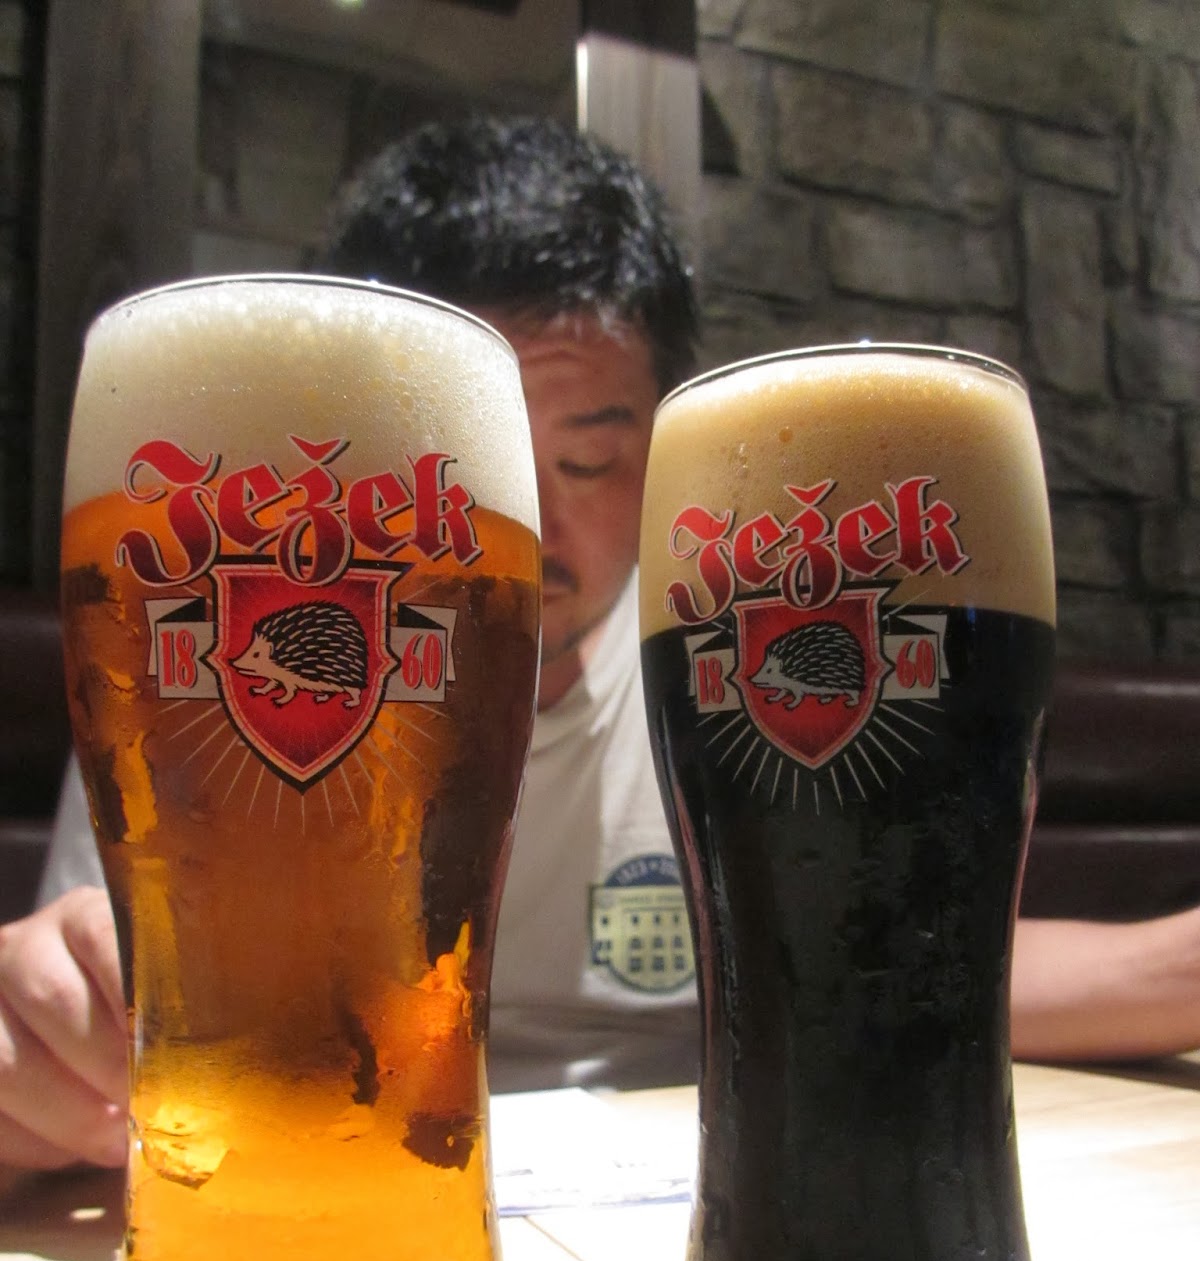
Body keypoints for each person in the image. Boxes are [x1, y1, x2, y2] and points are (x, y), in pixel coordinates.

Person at [2, 115, 1199, 1176]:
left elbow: (898, 952)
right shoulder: (199, 678)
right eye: (453, 476)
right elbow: (89, 1001)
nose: (527, 522)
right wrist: (39, 1045)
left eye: (584, 460)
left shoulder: (711, 675)